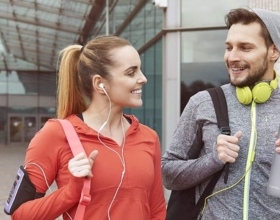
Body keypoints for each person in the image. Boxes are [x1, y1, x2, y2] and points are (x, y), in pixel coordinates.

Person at [161, 8, 280, 219]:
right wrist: (212, 159)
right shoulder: (202, 103)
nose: (232, 57)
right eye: (229, 47)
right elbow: (168, 175)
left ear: (273, 51)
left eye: (245, 48)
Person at [11, 35, 167, 220]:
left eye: (140, 70)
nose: (143, 79)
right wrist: (72, 191)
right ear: (99, 84)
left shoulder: (149, 137)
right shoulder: (57, 134)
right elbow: (20, 214)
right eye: (131, 72)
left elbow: (157, 209)